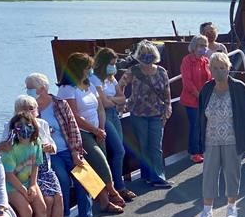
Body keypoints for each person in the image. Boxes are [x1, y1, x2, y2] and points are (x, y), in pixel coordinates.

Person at [0, 95, 74, 217]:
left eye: (31, 108)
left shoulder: (42, 124)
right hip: (23, 172)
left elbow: (52, 146)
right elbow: (1, 148)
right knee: (47, 201)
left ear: (37, 110)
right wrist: (3, 146)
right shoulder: (13, 126)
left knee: (58, 198)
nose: (28, 112)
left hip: (43, 167)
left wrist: (50, 147)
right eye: (23, 109)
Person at [25, 72, 96, 217]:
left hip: (68, 149)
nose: (28, 91)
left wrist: (76, 152)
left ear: (42, 88)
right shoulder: (29, 108)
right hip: (50, 155)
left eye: (31, 88)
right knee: (62, 180)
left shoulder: (59, 104)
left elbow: (73, 128)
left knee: (82, 179)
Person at [196, 52, 245, 217]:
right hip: (211, 139)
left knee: (232, 173)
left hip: (233, 138)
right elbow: (200, 116)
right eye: (215, 68)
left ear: (229, 68)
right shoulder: (206, 89)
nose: (219, 71)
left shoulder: (239, 88)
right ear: (210, 69)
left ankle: (231, 207)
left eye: (222, 68)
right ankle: (207, 210)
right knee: (209, 174)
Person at [59, 53, 124, 214]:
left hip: (97, 130)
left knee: (98, 166)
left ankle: (104, 202)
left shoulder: (90, 85)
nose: (90, 71)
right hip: (81, 133)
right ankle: (113, 192)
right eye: (88, 68)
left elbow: (100, 108)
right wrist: (94, 130)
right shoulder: (67, 89)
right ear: (79, 69)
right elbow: (74, 116)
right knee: (99, 163)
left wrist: (100, 128)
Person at [0, 111, 64, 217]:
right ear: (13, 128)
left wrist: (34, 185)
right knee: (27, 211)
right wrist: (23, 191)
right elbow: (9, 175)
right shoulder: (9, 148)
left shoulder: (36, 143)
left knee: (42, 208)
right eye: (19, 125)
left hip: (29, 182)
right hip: (11, 186)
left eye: (27, 125)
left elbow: (36, 165)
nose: (24, 128)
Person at [124, 40, 173, 189]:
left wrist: (168, 107)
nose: (147, 58)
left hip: (157, 113)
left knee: (156, 147)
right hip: (138, 114)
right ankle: (147, 176)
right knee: (143, 146)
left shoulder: (161, 71)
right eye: (144, 55)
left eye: (149, 54)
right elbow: (120, 86)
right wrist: (122, 102)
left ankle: (158, 178)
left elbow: (166, 92)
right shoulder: (133, 71)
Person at [91, 48, 135, 202]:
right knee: (119, 150)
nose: (113, 67)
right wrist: (113, 100)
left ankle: (116, 185)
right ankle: (118, 187)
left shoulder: (111, 78)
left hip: (113, 114)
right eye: (111, 64)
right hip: (103, 116)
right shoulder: (95, 79)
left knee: (118, 151)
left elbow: (122, 98)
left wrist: (112, 100)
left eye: (114, 64)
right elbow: (104, 102)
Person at [181, 34, 212, 163]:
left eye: (205, 46)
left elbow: (210, 79)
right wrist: (198, 94)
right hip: (191, 100)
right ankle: (194, 152)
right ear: (194, 46)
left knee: (203, 125)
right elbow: (187, 81)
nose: (203, 48)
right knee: (195, 126)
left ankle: (201, 149)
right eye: (201, 45)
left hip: (204, 99)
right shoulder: (187, 60)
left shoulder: (206, 61)